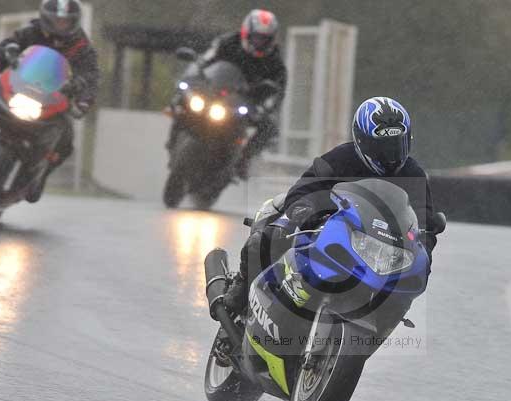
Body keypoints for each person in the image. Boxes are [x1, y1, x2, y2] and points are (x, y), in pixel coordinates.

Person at [224, 97, 438, 320]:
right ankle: (242, 287)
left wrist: (423, 250)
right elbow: (303, 189)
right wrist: (304, 211)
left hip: (377, 250)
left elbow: (425, 222)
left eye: (396, 145)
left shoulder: (414, 175)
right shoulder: (341, 158)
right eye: (381, 146)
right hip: (332, 231)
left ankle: (375, 329)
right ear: (361, 141)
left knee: (406, 286)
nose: (390, 155)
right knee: (270, 236)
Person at [0, 0, 99, 203]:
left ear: (75, 22)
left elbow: (91, 76)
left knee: (66, 143)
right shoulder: (31, 31)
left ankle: (41, 177)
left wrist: (84, 100)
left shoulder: (82, 47)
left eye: (65, 22)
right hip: (19, 87)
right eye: (56, 20)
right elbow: (6, 46)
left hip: (54, 98)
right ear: (46, 18)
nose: (60, 25)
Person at [167, 9, 287, 179]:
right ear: (246, 33)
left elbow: (278, 92)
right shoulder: (227, 42)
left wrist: (267, 106)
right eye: (256, 37)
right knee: (183, 99)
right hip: (214, 91)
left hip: (245, 102)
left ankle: (244, 160)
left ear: (272, 40)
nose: (259, 42)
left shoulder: (276, 62)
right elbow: (205, 60)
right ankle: (173, 139)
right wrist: (193, 76)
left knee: (269, 127)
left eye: (264, 39)